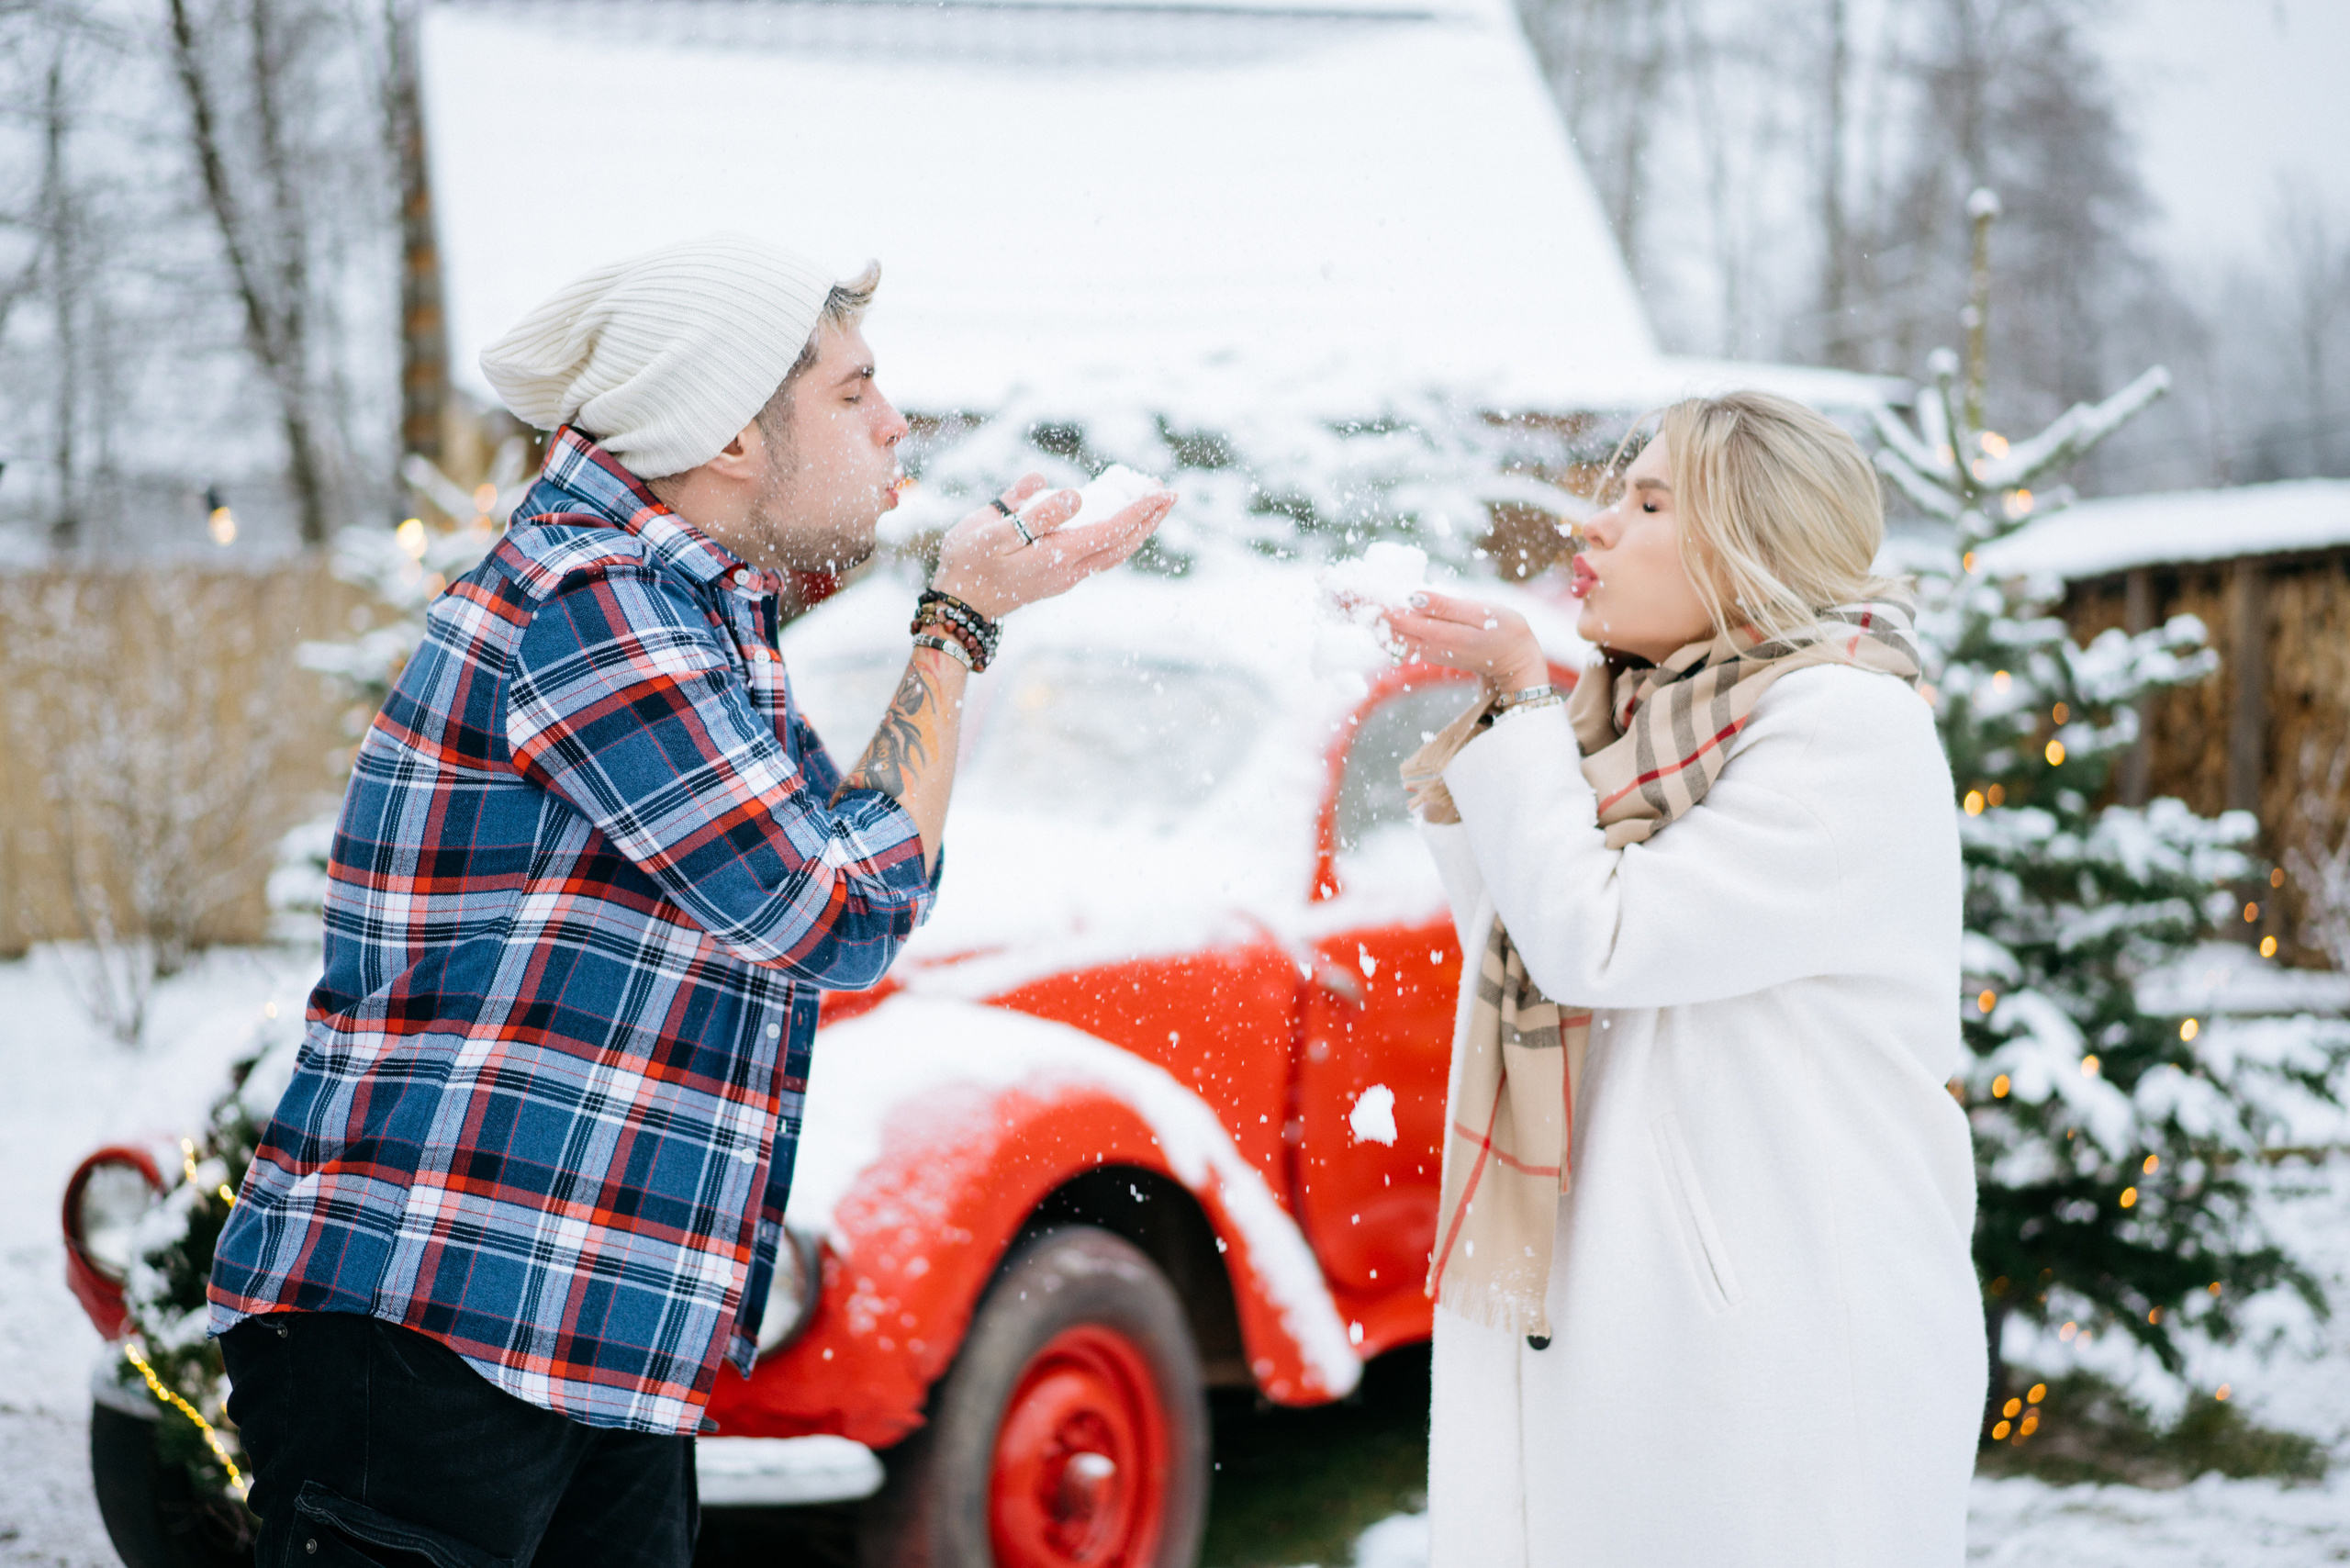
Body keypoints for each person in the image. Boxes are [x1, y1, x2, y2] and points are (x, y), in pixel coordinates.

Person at [204, 232, 1170, 1567]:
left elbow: (809, 841)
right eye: (852, 392)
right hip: (443, 1330)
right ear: (726, 432)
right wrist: (957, 626)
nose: (894, 423)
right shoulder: (594, 604)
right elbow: (837, 909)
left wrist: (964, 595)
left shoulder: (689, 604)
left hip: (580, 1335)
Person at [1382, 390, 1983, 1567]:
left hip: (1782, 1340)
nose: (1596, 526)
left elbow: (1596, 942)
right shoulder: (1639, 724)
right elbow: (1512, 945)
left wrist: (1519, 695)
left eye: (1649, 501)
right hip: (1642, 1301)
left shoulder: (1841, 728)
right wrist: (1526, 730)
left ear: (1752, 545)